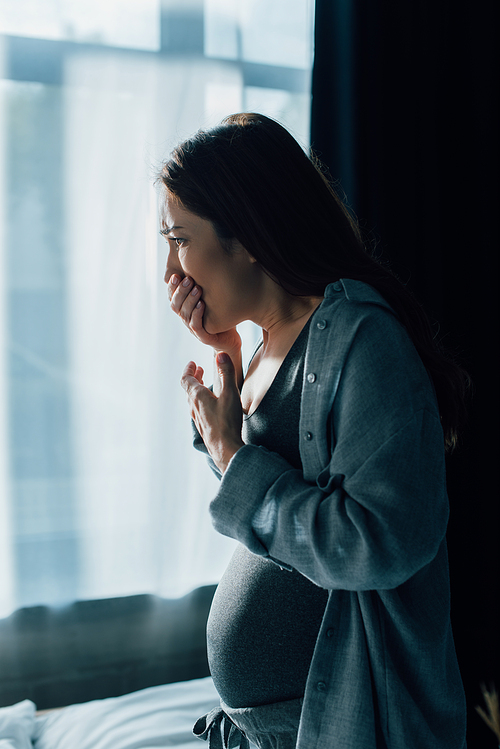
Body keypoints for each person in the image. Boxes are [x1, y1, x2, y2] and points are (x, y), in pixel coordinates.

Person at [156, 113, 469, 749]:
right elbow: (271, 507)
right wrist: (228, 376)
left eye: (179, 239)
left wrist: (229, 452)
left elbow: (380, 544)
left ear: (245, 235)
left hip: (349, 719)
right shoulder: (268, 341)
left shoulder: (363, 340)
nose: (171, 271)